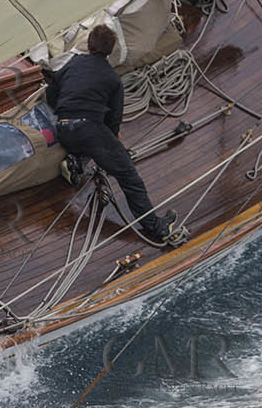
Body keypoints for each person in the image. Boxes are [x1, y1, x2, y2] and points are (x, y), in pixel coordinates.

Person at [44, 25, 184, 247]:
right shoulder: (112, 78)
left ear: (89, 44)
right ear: (110, 51)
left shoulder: (74, 63)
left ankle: (74, 163)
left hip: (64, 128)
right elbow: (113, 119)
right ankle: (157, 227)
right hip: (89, 130)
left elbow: (51, 93)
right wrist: (114, 139)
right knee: (129, 177)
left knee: (92, 144)